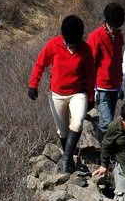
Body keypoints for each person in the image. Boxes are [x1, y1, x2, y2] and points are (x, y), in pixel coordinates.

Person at [28, 15, 95, 173]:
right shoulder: (53, 44)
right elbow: (40, 64)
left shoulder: (85, 49)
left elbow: (91, 74)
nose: (73, 46)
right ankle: (69, 159)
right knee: (62, 130)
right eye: (70, 43)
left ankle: (65, 158)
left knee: (77, 123)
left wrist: (91, 96)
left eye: (75, 43)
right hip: (56, 94)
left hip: (78, 93)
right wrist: (33, 85)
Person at [87, 3, 125, 142]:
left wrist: (121, 84)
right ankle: (102, 150)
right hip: (101, 86)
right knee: (107, 122)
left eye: (117, 27)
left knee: (107, 121)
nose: (114, 29)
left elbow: (119, 60)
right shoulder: (95, 36)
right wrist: (92, 89)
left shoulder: (119, 36)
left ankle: (102, 149)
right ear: (106, 22)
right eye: (112, 26)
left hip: (115, 85)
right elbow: (90, 65)